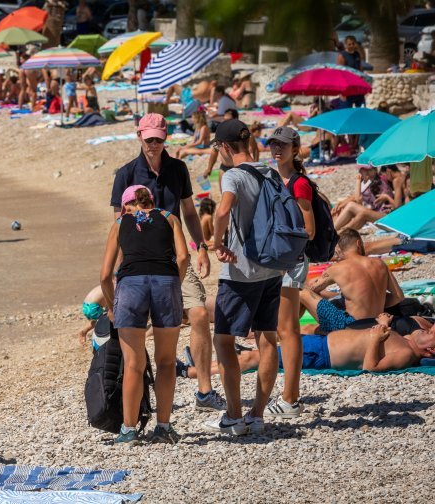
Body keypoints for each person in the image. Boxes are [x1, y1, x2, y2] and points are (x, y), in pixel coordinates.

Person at [111, 113, 225, 413]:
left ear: (166, 139)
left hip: (175, 260)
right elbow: (118, 225)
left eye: (159, 140)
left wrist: (201, 247)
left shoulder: (177, 169)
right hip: (138, 264)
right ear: (139, 136)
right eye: (148, 139)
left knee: (199, 314)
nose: (153, 145)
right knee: (137, 333)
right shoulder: (125, 174)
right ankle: (139, 401)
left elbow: (189, 211)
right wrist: (118, 273)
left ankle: (204, 390)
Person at [204, 119, 284, 436]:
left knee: (223, 340)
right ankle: (258, 414)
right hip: (272, 267)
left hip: (241, 270)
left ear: (224, 147)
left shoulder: (233, 176)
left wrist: (218, 242)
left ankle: (234, 415)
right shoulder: (269, 172)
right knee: (267, 340)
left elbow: (223, 211)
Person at [101, 185, 189, 444]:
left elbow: (105, 275)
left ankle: (129, 431)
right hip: (165, 283)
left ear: (129, 204)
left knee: (133, 364)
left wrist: (110, 305)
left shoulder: (120, 222)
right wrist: (174, 282)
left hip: (130, 286)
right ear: (151, 200)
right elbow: (183, 257)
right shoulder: (170, 217)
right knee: (165, 362)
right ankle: (163, 427)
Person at [264, 127, 316, 419]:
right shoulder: (276, 180)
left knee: (288, 330)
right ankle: (287, 394)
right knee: (282, 327)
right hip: (280, 260)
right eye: (274, 144)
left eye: (283, 145)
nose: (277, 149)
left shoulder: (299, 184)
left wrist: (285, 246)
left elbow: (309, 229)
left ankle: (290, 399)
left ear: (295, 150)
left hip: (291, 261)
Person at [180, 316, 435, 376]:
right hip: (319, 343)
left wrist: (374, 339)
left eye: (431, 334)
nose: (429, 329)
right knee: (265, 348)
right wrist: (381, 324)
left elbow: (371, 368)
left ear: (430, 351)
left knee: (256, 360)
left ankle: (192, 372)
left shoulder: (403, 353)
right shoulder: (406, 339)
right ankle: (205, 365)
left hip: (320, 354)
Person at [300, 229, 405, 334]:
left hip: (350, 325)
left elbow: (312, 289)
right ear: (359, 243)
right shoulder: (380, 264)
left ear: (339, 250)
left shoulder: (338, 267)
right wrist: (373, 303)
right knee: (312, 326)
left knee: (302, 292)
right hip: (375, 322)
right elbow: (398, 296)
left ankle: (287, 326)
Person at [333, 165, 403, 232]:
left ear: (375, 170)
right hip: (379, 215)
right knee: (349, 209)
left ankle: (337, 233)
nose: (364, 171)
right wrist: (340, 205)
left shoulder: (382, 179)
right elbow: (354, 197)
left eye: (367, 170)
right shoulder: (368, 182)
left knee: (357, 210)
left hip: (389, 218)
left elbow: (358, 199)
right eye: (362, 170)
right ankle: (335, 232)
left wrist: (358, 181)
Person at [337, 35, 366, 107]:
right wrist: (342, 92)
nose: (351, 46)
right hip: (347, 89)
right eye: (349, 44)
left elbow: (360, 70)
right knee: (346, 112)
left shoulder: (357, 54)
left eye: (353, 43)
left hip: (357, 87)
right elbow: (339, 73)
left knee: (361, 110)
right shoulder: (342, 55)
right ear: (346, 45)